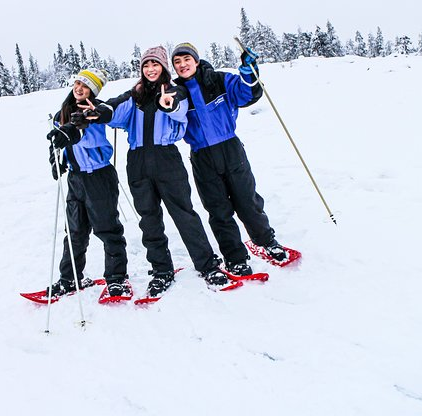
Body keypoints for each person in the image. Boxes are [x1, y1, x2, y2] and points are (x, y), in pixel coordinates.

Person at [79, 46, 230, 296]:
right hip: (137, 161)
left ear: (163, 68)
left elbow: (179, 107)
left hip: (166, 158)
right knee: (149, 219)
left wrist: (168, 105)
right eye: (146, 65)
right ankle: (161, 270)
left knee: (184, 213)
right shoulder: (134, 95)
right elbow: (115, 108)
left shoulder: (174, 90)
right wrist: (101, 111)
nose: (150, 69)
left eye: (155, 65)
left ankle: (207, 265)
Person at [170, 42, 293, 275]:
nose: (182, 65)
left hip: (230, 149)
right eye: (177, 62)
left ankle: (266, 241)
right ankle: (234, 256)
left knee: (247, 200)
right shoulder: (179, 93)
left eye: (186, 59)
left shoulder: (218, 80)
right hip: (202, 156)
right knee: (218, 209)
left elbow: (247, 93)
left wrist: (248, 70)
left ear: (196, 60)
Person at [46, 68, 130, 299]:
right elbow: (59, 139)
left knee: (107, 229)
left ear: (93, 91)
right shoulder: (61, 113)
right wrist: (56, 157)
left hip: (99, 177)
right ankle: (69, 278)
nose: (79, 88)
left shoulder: (97, 111)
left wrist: (70, 134)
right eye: (78, 83)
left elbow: (84, 135)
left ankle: (117, 279)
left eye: (86, 86)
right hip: (76, 178)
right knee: (74, 232)